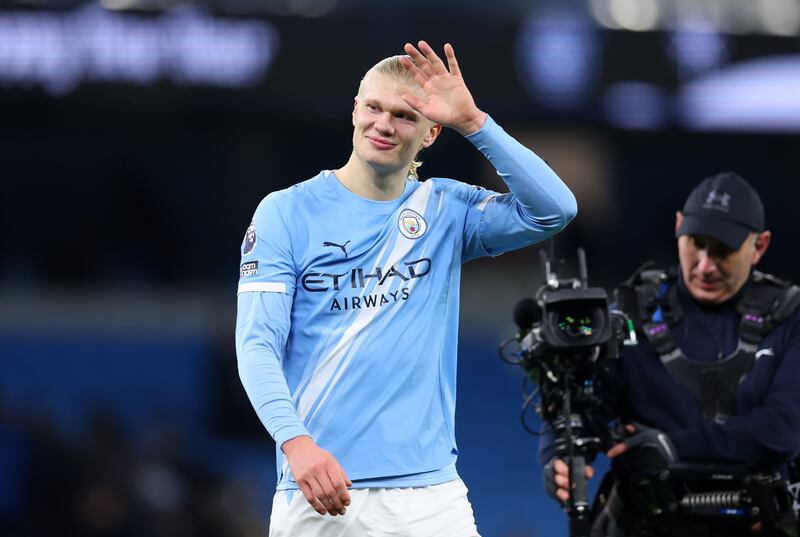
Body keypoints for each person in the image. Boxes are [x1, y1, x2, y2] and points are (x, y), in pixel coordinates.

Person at [235, 40, 578, 537]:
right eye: (373, 107)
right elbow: (256, 344)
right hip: (320, 486)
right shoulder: (286, 212)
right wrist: (296, 444)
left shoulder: (445, 211)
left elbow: (555, 210)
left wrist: (474, 122)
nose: (383, 124)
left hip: (430, 499)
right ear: (355, 109)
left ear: (431, 132)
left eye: (403, 115)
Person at [542, 172, 800, 536]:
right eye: (696, 244)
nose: (705, 265)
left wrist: (667, 449)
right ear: (679, 227)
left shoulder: (790, 316)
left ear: (760, 246)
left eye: (723, 250)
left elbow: (783, 430)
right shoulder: (630, 313)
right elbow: (584, 406)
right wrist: (558, 458)